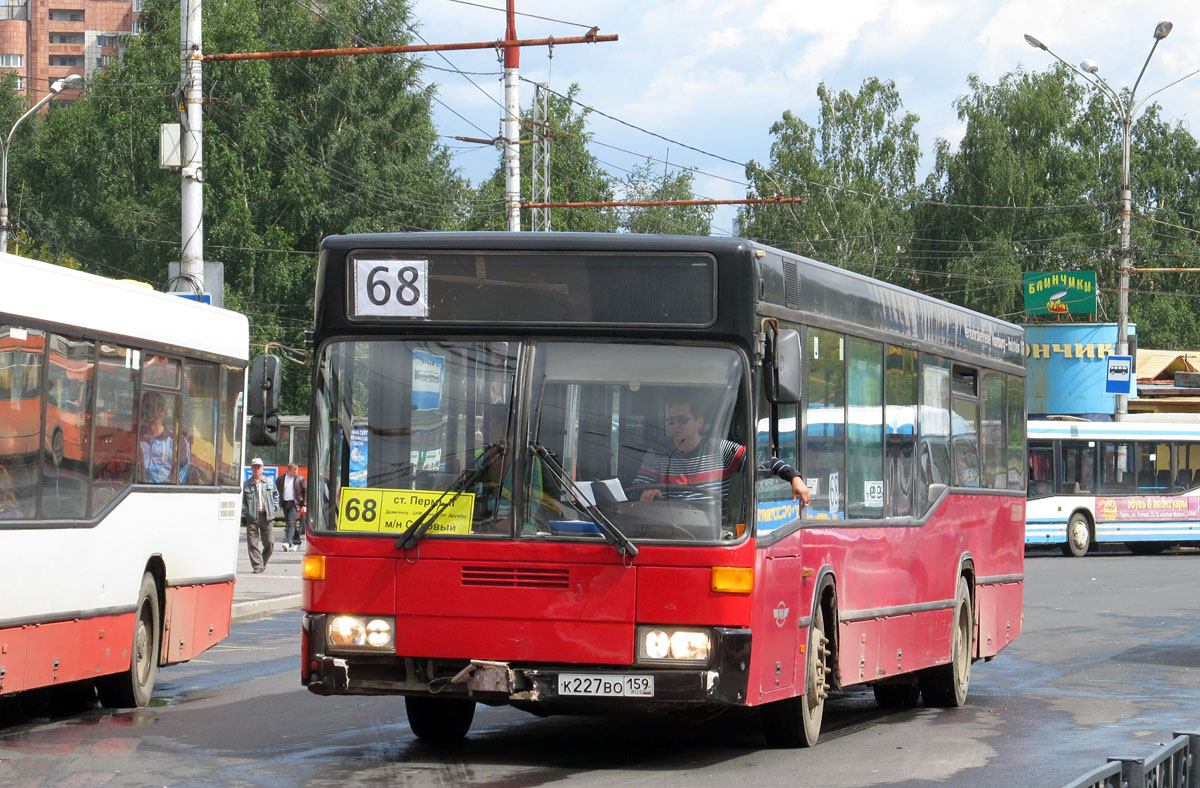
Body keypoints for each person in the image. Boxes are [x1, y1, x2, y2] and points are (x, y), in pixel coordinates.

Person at [633, 399, 810, 506]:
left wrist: (794, 477)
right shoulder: (657, 454)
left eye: (682, 420)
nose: (675, 425)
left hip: (711, 534)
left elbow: (763, 461)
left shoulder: (721, 450)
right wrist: (649, 491)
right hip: (667, 530)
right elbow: (636, 488)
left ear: (699, 423)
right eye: (671, 421)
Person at [139, 392, 191, 484]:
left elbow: (182, 473)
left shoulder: (178, 441)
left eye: (152, 407)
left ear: (162, 410)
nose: (147, 411)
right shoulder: (137, 440)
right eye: (145, 407)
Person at [242, 458, 280, 573]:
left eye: (259, 467)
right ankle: (258, 566)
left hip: (267, 516)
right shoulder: (246, 484)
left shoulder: (269, 482)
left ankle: (262, 561)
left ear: (262, 469)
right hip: (252, 517)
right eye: (254, 467)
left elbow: (276, 496)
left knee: (270, 542)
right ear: (251, 469)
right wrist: (246, 511)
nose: (256, 469)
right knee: (252, 543)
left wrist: (273, 508)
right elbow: (242, 501)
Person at [275, 462, 307, 551]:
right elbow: (276, 490)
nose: (296, 473)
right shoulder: (281, 479)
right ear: (288, 471)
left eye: (296, 472)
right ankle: (297, 542)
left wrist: (304, 505)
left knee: (291, 522)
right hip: (285, 503)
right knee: (290, 523)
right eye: (294, 472)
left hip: (295, 504)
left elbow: (305, 491)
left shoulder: (300, 479)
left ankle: (287, 542)